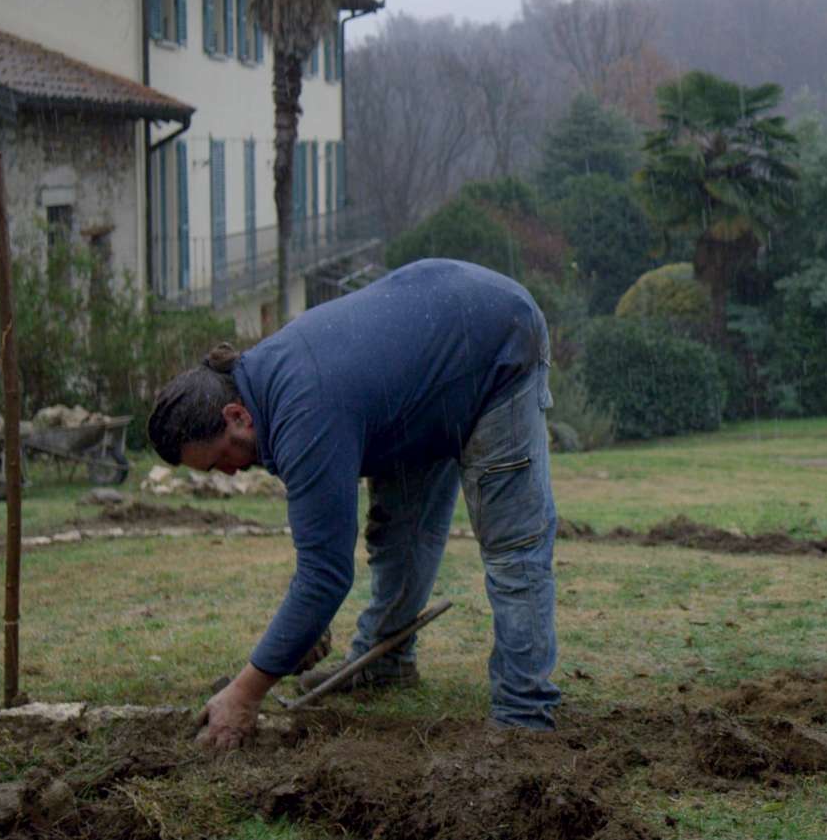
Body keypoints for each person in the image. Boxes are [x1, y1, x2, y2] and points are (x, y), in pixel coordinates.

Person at [149, 258, 561, 748]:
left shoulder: (303, 409)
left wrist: (246, 693)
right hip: (421, 382)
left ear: (236, 415)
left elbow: (324, 574)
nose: (231, 472)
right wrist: (303, 631)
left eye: (221, 460)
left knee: (513, 545)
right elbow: (321, 548)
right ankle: (386, 661)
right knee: (397, 534)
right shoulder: (267, 387)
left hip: (496, 345)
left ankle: (523, 713)